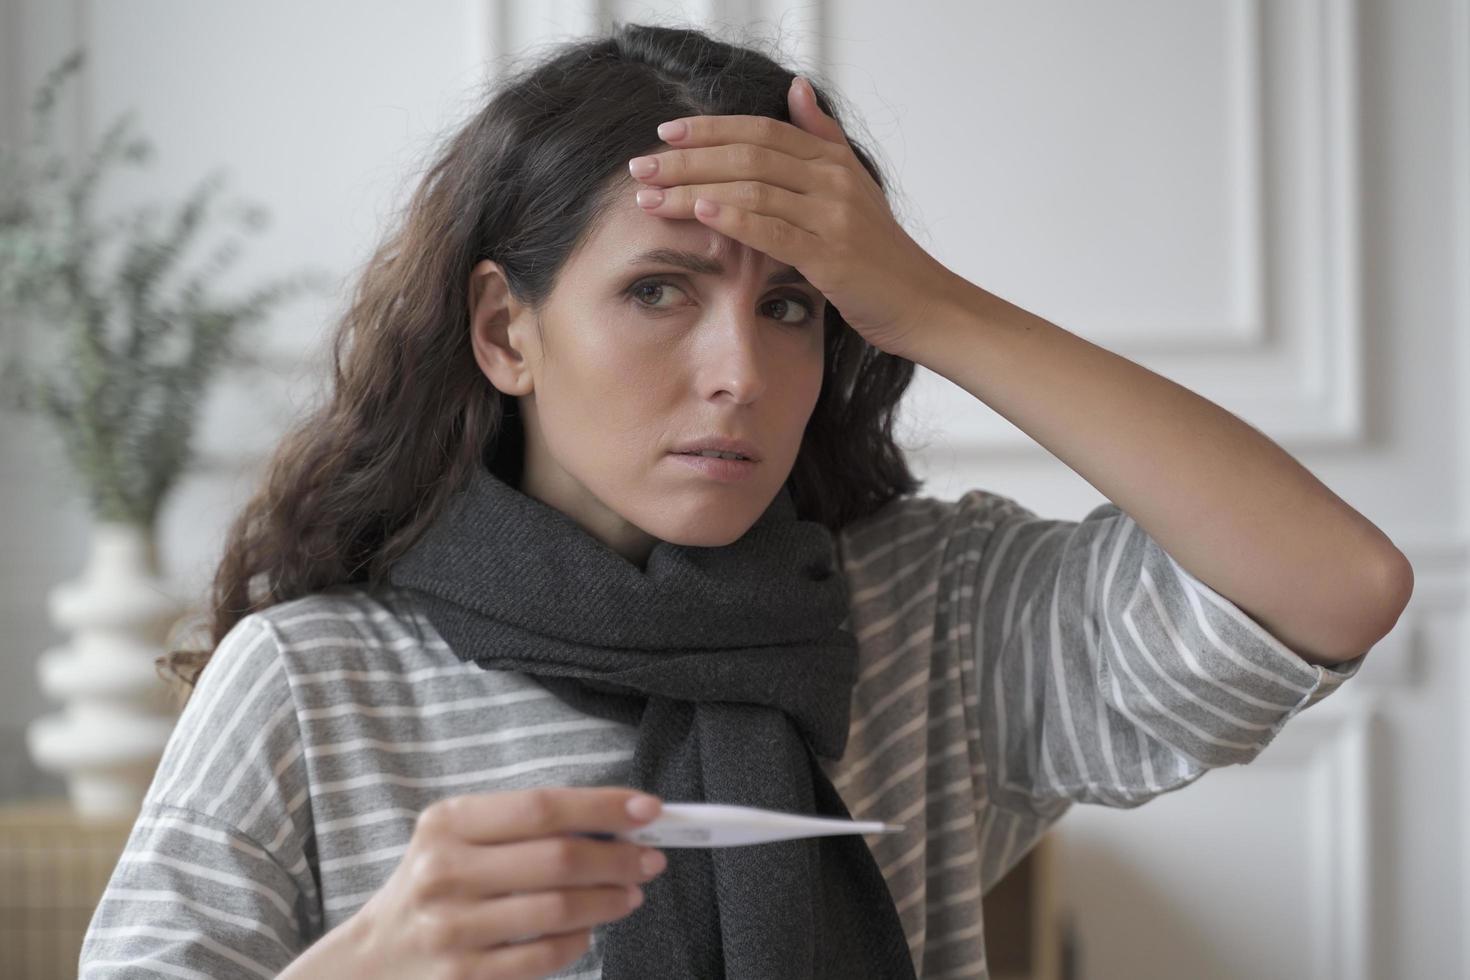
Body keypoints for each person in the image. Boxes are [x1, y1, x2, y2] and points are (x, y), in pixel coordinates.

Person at [77, 21, 1387, 980]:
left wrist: (927, 303)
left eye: (791, 306)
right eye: (658, 290)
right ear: (504, 331)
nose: (740, 375)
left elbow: (1336, 583)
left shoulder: (926, 619)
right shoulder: (314, 685)